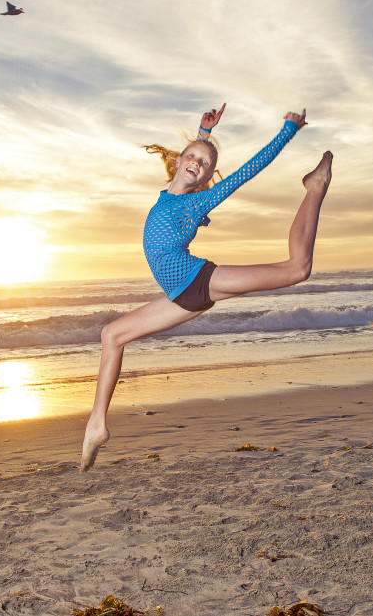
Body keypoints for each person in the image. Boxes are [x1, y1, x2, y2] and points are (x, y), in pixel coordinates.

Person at [80, 103, 332, 472]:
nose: (197, 163)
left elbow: (250, 169)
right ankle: (96, 425)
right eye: (193, 157)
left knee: (298, 268)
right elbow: (196, 157)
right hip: (179, 297)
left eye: (205, 165)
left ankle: (315, 186)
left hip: (195, 280)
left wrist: (287, 131)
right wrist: (204, 132)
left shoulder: (196, 203)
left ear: (207, 179)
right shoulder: (172, 193)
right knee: (111, 335)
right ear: (180, 159)